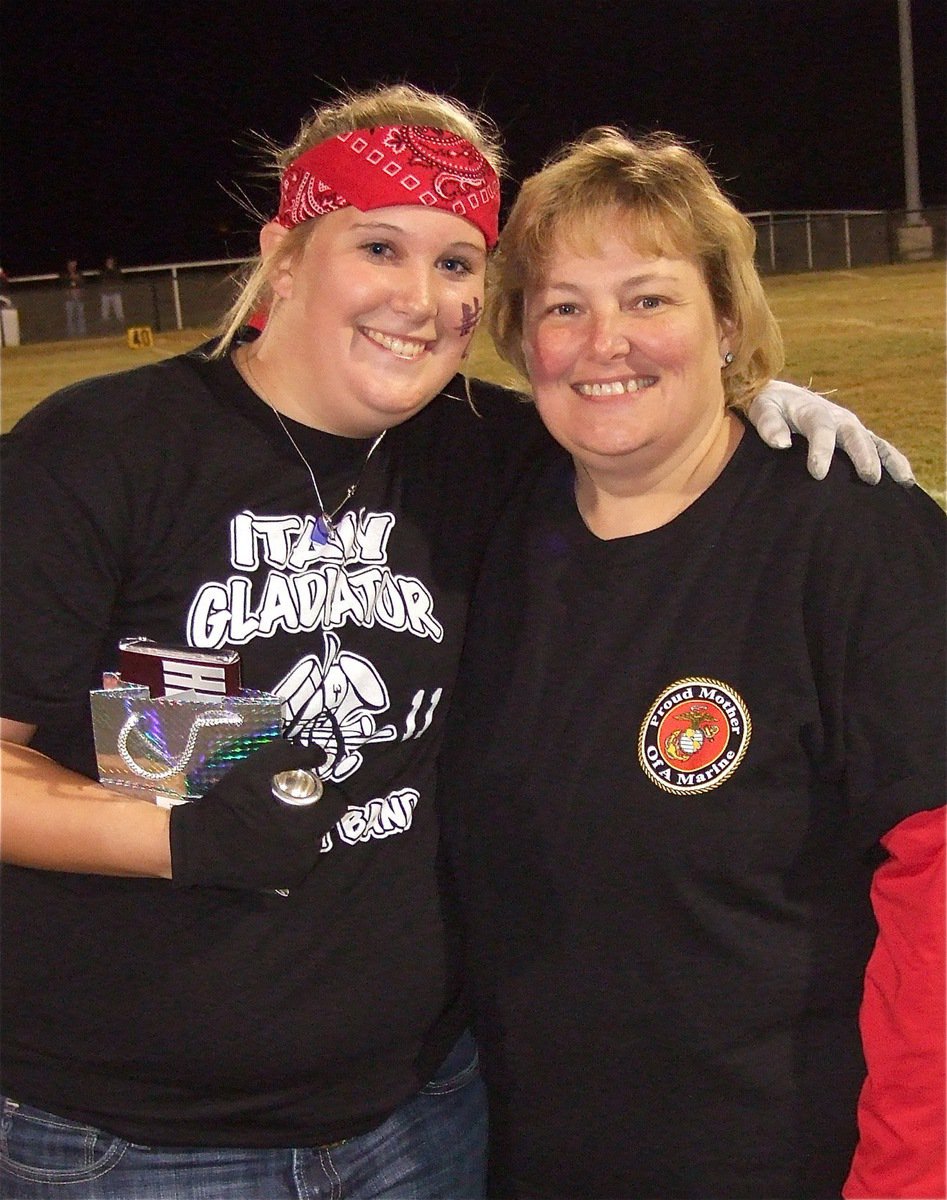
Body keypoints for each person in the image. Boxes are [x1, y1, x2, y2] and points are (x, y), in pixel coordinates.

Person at [0, 84, 909, 1200]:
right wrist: (172, 838)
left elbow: (628, 401)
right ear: (284, 254)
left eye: (456, 262)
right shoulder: (100, 450)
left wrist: (767, 405)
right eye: (378, 245)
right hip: (134, 1141)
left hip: (423, 1120)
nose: (419, 299)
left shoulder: (478, 457)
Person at [439, 129, 945, 1200]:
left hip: (791, 1162)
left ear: (725, 319)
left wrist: (906, 1179)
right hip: (521, 1160)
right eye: (561, 305)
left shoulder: (847, 535)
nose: (600, 341)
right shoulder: (484, 513)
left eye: (648, 299)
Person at [60, 257, 86, 337]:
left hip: (79, 297)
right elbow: (63, 284)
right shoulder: (64, 273)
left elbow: (82, 283)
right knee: (70, 316)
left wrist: (77, 279)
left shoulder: (79, 272)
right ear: (68, 264)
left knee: (80, 315)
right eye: (72, 263)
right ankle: (71, 333)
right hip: (69, 298)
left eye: (75, 263)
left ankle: (82, 332)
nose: (73, 265)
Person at [98, 254, 125, 327]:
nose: (109, 262)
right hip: (105, 293)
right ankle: (106, 328)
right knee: (105, 314)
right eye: (108, 261)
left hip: (116, 292)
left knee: (119, 312)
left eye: (111, 261)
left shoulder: (117, 270)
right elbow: (101, 280)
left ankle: (121, 326)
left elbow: (119, 279)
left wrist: (112, 270)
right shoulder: (103, 270)